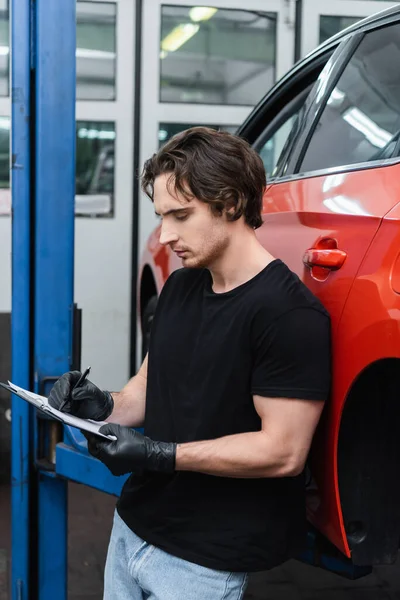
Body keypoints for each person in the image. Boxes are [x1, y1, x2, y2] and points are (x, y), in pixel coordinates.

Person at [48, 127, 331, 600]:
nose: (166, 235)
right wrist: (99, 406)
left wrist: (161, 454)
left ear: (233, 203)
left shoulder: (288, 314)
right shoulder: (181, 286)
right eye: (161, 216)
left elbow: (283, 451)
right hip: (133, 526)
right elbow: (145, 389)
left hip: (204, 559)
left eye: (181, 215)